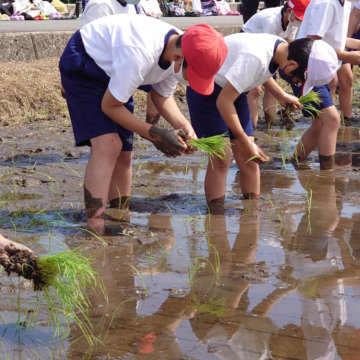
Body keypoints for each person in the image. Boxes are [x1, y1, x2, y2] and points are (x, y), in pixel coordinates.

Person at [59, 15, 227, 235]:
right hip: (85, 63)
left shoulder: (182, 49)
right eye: (192, 76)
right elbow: (110, 106)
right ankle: (95, 226)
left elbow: (161, 97)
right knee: (109, 144)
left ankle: (120, 215)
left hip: (115, 71)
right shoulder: (139, 54)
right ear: (178, 58)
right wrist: (155, 134)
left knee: (125, 153)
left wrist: (186, 127)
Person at [187, 33, 337, 213]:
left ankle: (251, 214)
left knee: (250, 159)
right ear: (292, 64)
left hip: (235, 89)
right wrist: (243, 141)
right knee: (222, 158)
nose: (296, 82)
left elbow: (262, 71)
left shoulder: (280, 49)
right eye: (299, 79)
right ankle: (216, 217)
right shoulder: (256, 56)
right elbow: (223, 101)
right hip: (206, 90)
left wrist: (281, 95)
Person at [291, 0, 360, 169]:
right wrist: (348, 56)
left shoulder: (345, 4)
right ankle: (327, 173)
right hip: (304, 69)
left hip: (317, 67)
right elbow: (311, 45)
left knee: (321, 123)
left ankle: (296, 161)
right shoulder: (326, 4)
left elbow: (335, 36)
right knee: (331, 119)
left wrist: (355, 45)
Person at [81, 0, 161, 125]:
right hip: (99, 71)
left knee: (158, 83)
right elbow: (90, 44)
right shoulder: (101, 5)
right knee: (109, 139)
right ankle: (150, 132)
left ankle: (151, 128)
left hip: (121, 67)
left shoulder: (132, 5)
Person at [241, 0, 310, 127]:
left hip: (271, 48)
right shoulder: (271, 21)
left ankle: (270, 123)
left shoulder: (292, 21)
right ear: (289, 11)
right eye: (299, 17)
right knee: (255, 89)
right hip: (250, 46)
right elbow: (265, 48)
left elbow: (289, 42)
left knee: (272, 87)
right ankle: (251, 128)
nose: (299, 21)